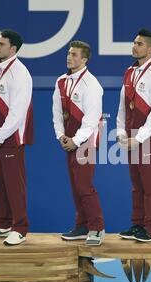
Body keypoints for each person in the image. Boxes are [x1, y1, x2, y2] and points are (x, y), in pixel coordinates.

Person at [116, 28, 151, 242]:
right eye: (134, 42)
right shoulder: (130, 72)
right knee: (137, 185)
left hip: (150, 139)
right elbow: (123, 106)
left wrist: (139, 138)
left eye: (139, 44)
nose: (134, 46)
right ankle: (138, 224)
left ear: (150, 48)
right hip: (131, 139)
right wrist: (121, 131)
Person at [0, 29, 34, 246]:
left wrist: (0, 137)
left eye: (2, 44)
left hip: (10, 139)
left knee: (14, 184)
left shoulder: (20, 74)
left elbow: (18, 112)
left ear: (13, 49)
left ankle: (20, 228)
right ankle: (3, 224)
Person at [52, 40, 105, 246]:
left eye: (74, 55)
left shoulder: (91, 84)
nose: (69, 57)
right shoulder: (61, 81)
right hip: (69, 141)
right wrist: (60, 136)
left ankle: (97, 227)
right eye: (68, 53)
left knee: (84, 185)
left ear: (84, 59)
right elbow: (56, 112)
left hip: (87, 142)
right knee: (76, 186)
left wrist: (75, 140)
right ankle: (82, 225)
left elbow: (92, 119)